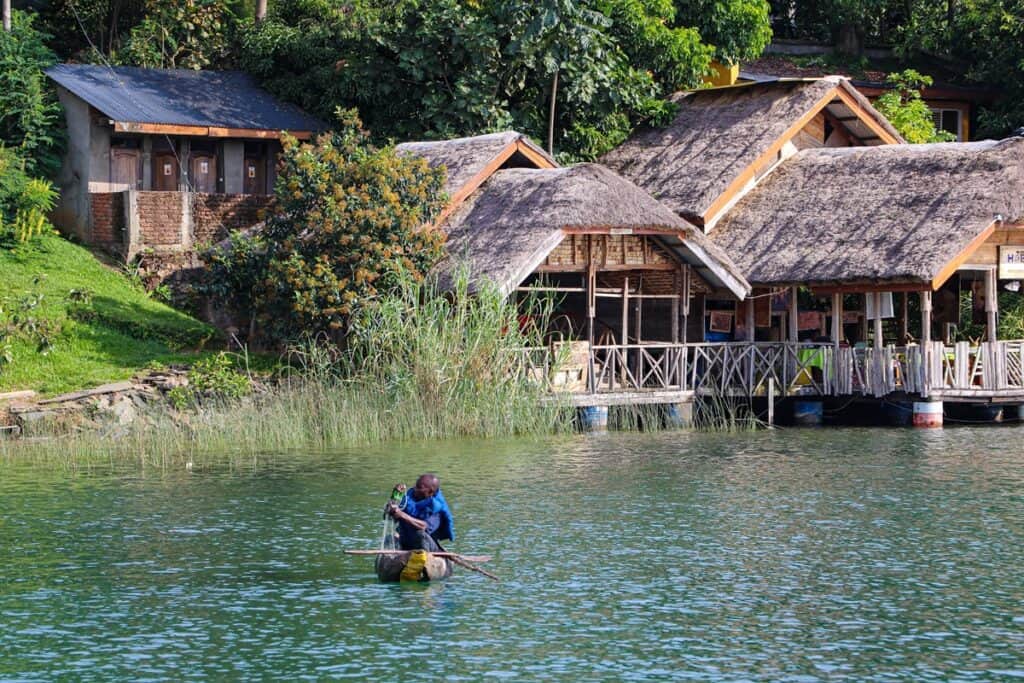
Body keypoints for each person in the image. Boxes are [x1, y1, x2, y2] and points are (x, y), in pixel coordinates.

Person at [386, 473, 455, 552]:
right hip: (406, 542)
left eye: (419, 488)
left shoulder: (436, 506)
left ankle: (422, 561)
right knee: (389, 539)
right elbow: (387, 516)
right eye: (415, 486)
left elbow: (424, 526)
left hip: (427, 545)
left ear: (430, 491)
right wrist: (395, 497)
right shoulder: (409, 499)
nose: (415, 489)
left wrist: (402, 515)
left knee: (420, 535)